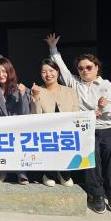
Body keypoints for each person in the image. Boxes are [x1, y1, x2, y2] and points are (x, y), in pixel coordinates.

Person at [45, 33, 111, 214]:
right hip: (86, 129)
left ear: (97, 68)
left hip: (108, 127)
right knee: (90, 154)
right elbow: (62, 68)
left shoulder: (108, 86)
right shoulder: (74, 83)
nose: (85, 71)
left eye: (89, 67)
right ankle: (96, 194)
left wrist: (104, 108)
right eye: (81, 68)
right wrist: (53, 48)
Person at [30, 59, 80, 187]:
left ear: (57, 71)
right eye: (44, 72)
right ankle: (49, 174)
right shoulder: (37, 90)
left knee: (67, 141)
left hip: (67, 132)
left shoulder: (70, 91)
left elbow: (76, 113)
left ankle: (64, 174)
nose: (48, 74)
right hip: (47, 133)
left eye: (51, 70)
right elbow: (35, 117)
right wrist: (35, 97)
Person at [0, 57, 31, 185]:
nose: (1, 75)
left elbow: (25, 113)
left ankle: (21, 172)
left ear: (10, 71)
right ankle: (2, 171)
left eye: (4, 71)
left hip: (17, 129)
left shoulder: (21, 88)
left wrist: (22, 95)